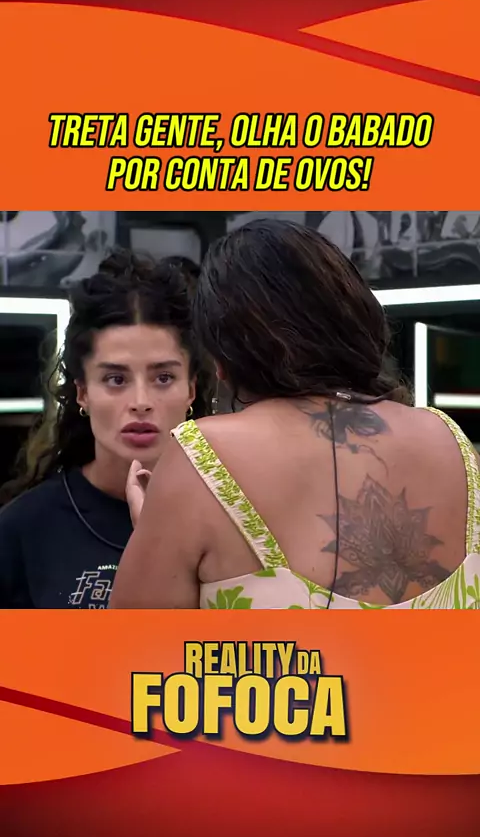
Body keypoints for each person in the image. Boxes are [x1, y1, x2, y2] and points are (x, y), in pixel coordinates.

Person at [109, 220, 480, 611]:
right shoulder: (449, 441)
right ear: (357, 317)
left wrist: (157, 534)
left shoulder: (204, 457)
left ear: (222, 359)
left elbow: (136, 643)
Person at [0, 248, 206, 608]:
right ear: (83, 392)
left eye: (163, 377)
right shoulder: (21, 530)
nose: (141, 402)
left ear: (191, 389)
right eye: (115, 379)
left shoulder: (229, 518)